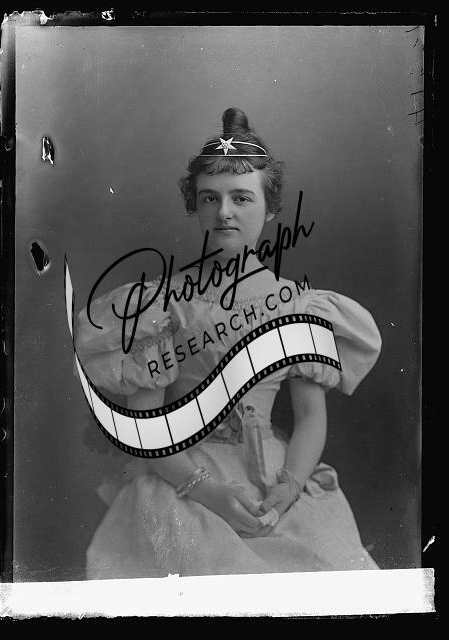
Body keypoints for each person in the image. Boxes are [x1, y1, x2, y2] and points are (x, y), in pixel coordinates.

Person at [75, 107, 382, 579]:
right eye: (210, 198)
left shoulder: (301, 306)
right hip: (184, 477)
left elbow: (310, 417)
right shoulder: (158, 307)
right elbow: (145, 428)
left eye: (241, 198)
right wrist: (207, 492)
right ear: (195, 207)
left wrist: (290, 486)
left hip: (274, 479)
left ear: (271, 208)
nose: (224, 212)